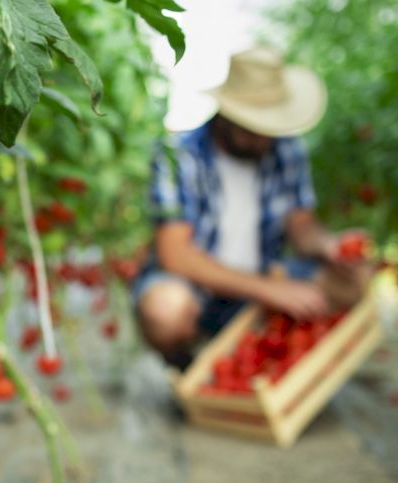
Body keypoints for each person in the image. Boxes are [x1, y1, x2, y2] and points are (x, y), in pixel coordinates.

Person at [133, 47, 371, 369]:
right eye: (253, 127)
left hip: (263, 279)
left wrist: (329, 245)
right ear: (227, 114)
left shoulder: (287, 150)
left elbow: (301, 227)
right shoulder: (178, 155)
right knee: (165, 310)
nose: (263, 138)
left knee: (356, 280)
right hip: (200, 289)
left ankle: (268, 355)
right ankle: (187, 364)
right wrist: (270, 290)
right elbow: (175, 254)